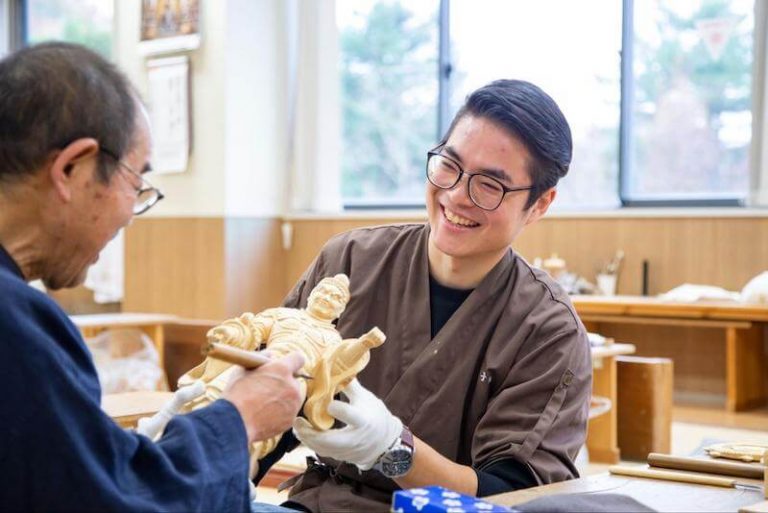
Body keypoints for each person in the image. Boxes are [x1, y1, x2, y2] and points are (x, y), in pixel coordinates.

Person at [262, 79, 593, 512]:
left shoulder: (547, 332)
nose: (456, 195)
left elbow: (514, 495)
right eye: (448, 166)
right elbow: (276, 396)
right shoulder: (350, 261)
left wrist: (391, 448)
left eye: (490, 185)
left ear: (540, 204)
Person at [0, 42, 304, 512]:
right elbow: (113, 498)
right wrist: (240, 417)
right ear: (72, 168)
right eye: (136, 184)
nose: (129, 216)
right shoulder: (15, 322)